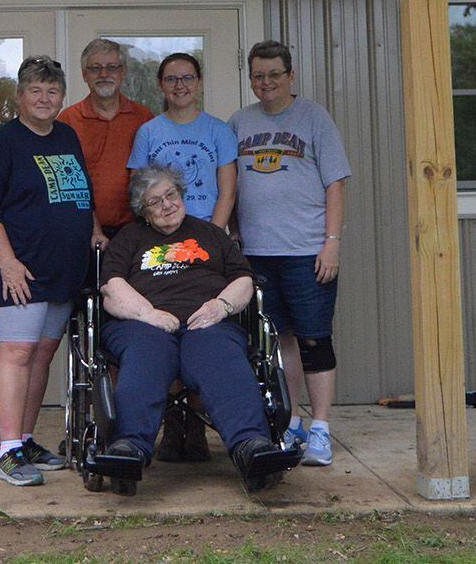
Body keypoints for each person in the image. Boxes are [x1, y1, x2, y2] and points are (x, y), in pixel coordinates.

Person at [98, 165, 280, 495]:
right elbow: (111, 286)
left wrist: (221, 306)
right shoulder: (130, 238)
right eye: (155, 201)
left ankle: (251, 446)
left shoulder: (210, 234)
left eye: (171, 195)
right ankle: (130, 448)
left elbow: (243, 279)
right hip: (142, 325)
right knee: (146, 354)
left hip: (207, 322)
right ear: (143, 210)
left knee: (221, 354)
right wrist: (148, 313)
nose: (167, 204)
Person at [0, 55, 96, 487]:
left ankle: (25, 437)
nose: (44, 98)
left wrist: (94, 233)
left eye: (52, 91)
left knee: (42, 354)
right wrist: (8, 263)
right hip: (20, 270)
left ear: (61, 97)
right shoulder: (4, 143)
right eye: (35, 90)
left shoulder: (68, 136)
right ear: (19, 97)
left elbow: (80, 195)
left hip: (63, 270)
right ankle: (7, 452)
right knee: (17, 353)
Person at [227, 40, 350, 467]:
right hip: (258, 253)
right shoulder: (239, 122)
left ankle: (321, 428)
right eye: (258, 76)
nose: (266, 83)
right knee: (279, 341)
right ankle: (293, 420)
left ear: (290, 76)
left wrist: (331, 244)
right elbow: (233, 185)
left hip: (307, 251)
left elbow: (336, 184)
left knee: (315, 338)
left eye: (274, 75)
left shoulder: (315, 118)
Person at [125, 50, 237, 461]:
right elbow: (139, 191)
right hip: (160, 239)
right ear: (160, 85)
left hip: (204, 236)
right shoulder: (149, 131)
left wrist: (215, 234)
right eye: (171, 79)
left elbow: (227, 190)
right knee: (167, 324)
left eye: (187, 77)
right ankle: (175, 425)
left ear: (199, 82)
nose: (180, 86)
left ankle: (198, 422)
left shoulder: (219, 131)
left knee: (204, 326)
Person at [58, 38, 153, 248]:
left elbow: (152, 177)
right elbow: (66, 184)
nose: (104, 74)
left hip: (135, 231)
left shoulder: (144, 118)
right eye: (95, 68)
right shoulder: (68, 121)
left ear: (123, 72)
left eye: (112, 67)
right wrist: (94, 228)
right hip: (80, 231)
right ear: (84, 75)